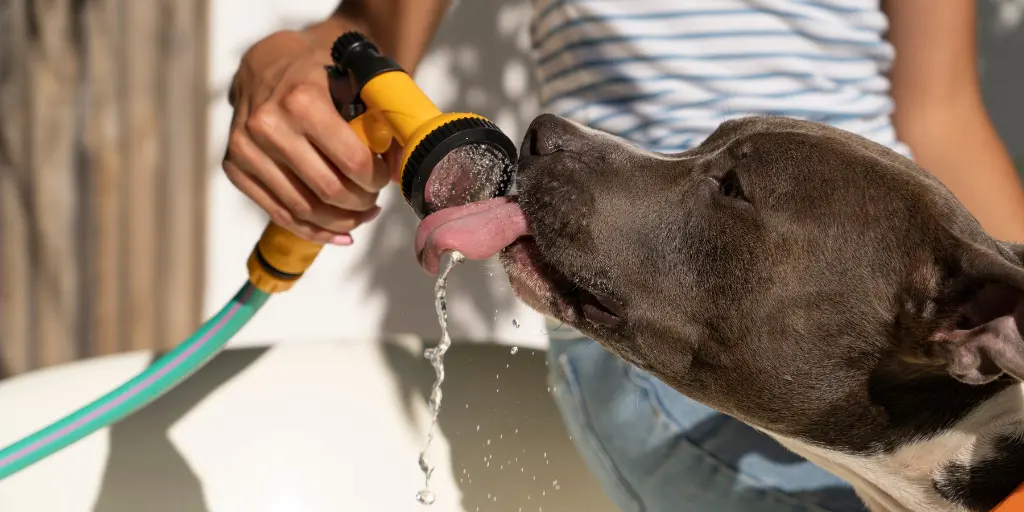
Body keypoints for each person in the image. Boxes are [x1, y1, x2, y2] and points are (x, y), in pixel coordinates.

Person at [223, 1, 1024, 510]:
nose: (547, 136)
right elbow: (359, 32)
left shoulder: (960, 313)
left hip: (879, 310)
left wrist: (1005, 322)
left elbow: (942, 111)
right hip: (668, 310)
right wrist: (283, 65)